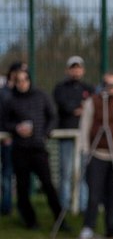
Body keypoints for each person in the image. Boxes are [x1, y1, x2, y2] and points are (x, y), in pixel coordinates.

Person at [0, 68, 62, 230]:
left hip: (38, 148)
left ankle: (60, 219)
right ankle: (30, 221)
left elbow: (53, 116)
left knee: (48, 185)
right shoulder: (10, 100)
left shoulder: (41, 96)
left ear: (29, 80)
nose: (22, 83)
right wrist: (16, 128)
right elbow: (4, 122)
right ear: (15, 83)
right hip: (20, 150)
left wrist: (45, 134)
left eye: (24, 80)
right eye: (18, 81)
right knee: (22, 187)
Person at [78, 72, 113, 239]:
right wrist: (85, 150)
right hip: (98, 154)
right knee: (94, 194)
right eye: (108, 85)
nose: (111, 88)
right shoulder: (93, 101)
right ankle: (88, 226)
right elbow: (85, 126)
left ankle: (111, 228)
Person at [53, 55, 93, 211]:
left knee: (84, 173)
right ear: (67, 70)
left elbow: (91, 107)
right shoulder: (60, 88)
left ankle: (83, 205)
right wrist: (79, 108)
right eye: (73, 68)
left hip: (85, 137)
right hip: (67, 136)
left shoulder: (88, 88)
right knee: (66, 172)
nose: (76, 71)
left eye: (79, 68)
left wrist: (82, 109)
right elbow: (64, 105)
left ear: (83, 70)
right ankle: (63, 206)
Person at [1, 60, 28, 218]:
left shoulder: (21, 93)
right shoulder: (4, 92)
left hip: (16, 140)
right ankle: (6, 207)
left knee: (12, 174)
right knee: (7, 174)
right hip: (5, 137)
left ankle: (12, 207)